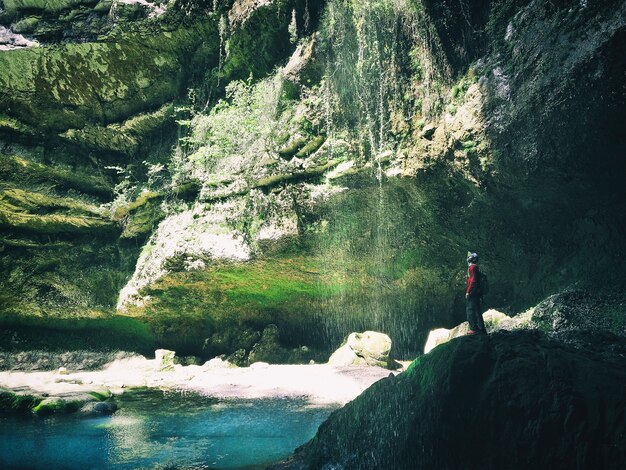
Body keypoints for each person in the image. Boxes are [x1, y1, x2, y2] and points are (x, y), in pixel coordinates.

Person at [465, 252, 486, 335]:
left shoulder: (472, 268)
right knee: (477, 310)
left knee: (470, 310)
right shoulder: (476, 268)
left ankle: (474, 329)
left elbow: (473, 281)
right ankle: (481, 329)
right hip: (477, 293)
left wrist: (468, 292)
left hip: (473, 293)